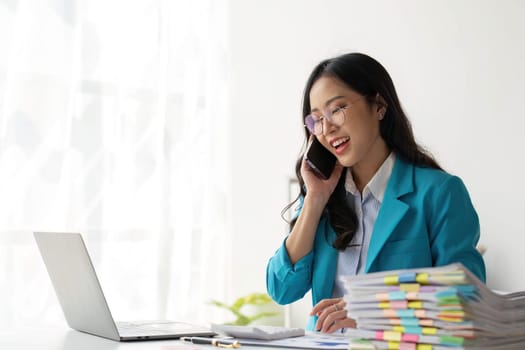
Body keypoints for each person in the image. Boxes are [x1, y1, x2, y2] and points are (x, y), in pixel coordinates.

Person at [265, 52, 485, 334]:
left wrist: (372, 311)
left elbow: (466, 300)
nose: (327, 127)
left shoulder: (439, 193)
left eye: (337, 109)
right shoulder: (322, 200)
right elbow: (281, 289)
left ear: (379, 105)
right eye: (317, 119)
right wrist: (314, 200)